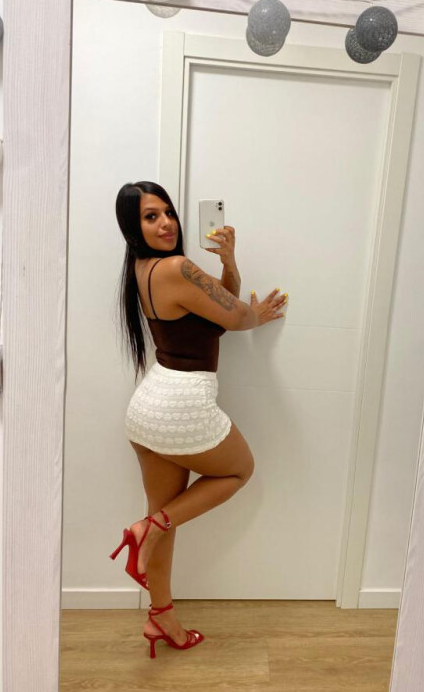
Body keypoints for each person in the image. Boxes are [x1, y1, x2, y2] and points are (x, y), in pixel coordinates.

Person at [111, 180, 287, 658]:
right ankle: (149, 527)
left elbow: (219, 312)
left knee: (164, 524)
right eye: (151, 216)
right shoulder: (176, 268)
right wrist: (255, 315)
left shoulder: (143, 269)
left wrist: (229, 264)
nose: (166, 223)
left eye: (168, 212)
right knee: (239, 470)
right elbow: (237, 318)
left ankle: (161, 617)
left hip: (149, 409)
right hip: (181, 407)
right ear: (133, 226)